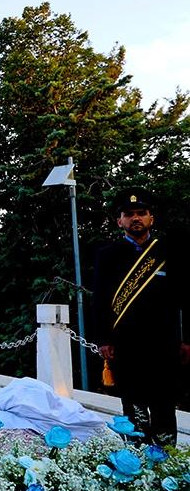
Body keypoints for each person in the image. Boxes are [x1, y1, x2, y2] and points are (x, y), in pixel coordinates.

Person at [92, 187, 188, 446]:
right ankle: (136, 459)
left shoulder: (168, 252)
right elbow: (100, 299)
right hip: (126, 344)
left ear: (151, 218)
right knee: (133, 406)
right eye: (129, 214)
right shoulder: (107, 255)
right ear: (119, 221)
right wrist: (103, 339)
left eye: (141, 213)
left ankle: (166, 459)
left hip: (164, 343)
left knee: (164, 404)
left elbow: (185, 297)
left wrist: (187, 339)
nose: (136, 218)